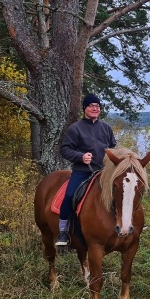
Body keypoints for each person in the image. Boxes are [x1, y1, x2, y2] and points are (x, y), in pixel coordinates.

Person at [56, 93, 117, 246]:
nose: (95, 108)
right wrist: (80, 157)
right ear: (85, 108)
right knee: (70, 195)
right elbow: (65, 149)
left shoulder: (106, 128)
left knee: (123, 191)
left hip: (104, 172)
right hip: (83, 171)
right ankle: (63, 231)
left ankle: (126, 222)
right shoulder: (75, 128)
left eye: (97, 106)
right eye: (91, 106)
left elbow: (113, 147)